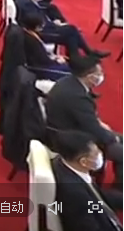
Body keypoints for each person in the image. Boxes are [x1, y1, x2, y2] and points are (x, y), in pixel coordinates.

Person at [45, 55, 122, 188]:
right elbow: (93, 129)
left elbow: (89, 121)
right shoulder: (78, 97)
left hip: (71, 128)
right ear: (90, 77)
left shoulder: (69, 82)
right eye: (99, 73)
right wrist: (113, 138)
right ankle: (119, 191)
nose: (102, 76)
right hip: (73, 138)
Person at [52, 130, 123, 231]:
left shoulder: (66, 164)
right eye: (96, 153)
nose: (100, 154)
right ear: (84, 162)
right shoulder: (74, 194)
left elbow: (98, 196)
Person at [19, 11, 71, 81]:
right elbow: (42, 60)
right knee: (72, 71)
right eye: (41, 26)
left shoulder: (30, 34)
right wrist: (57, 61)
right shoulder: (31, 41)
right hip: (42, 70)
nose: (43, 27)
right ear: (35, 26)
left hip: (45, 63)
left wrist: (55, 58)